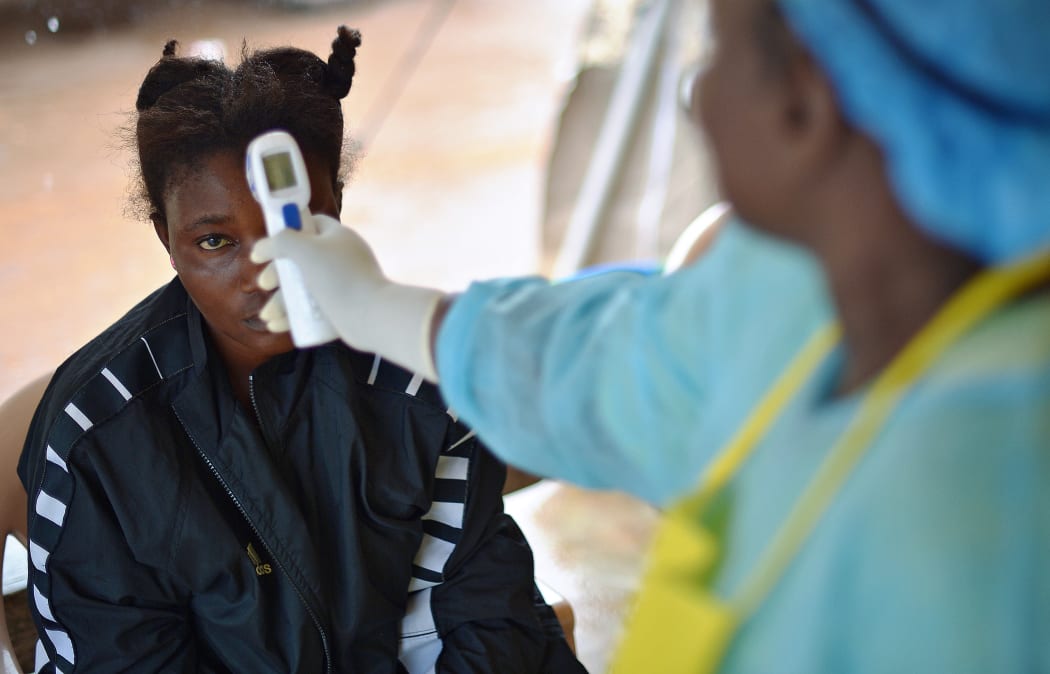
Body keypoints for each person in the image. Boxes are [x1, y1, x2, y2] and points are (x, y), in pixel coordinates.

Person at [251, 0, 1050, 671]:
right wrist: (380, 307)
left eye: (720, 52)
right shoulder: (802, 290)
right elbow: (608, 359)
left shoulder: (983, 509)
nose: (697, 95)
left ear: (804, 108)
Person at [17, 28, 582, 673]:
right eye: (214, 242)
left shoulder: (419, 382)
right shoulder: (97, 439)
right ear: (166, 239)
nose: (268, 272)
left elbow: (486, 620)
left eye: (296, 224)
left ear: (336, 210)